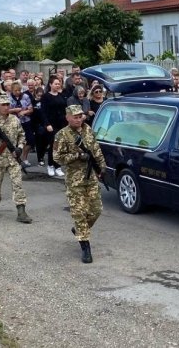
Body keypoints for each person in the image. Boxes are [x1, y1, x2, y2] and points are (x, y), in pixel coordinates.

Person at [53, 104, 106, 263]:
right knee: (79, 212)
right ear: (67, 117)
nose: (78, 119)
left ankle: (79, 229)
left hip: (90, 177)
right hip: (75, 179)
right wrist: (76, 156)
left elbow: (95, 149)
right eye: (75, 117)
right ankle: (85, 245)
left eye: (80, 116)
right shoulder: (62, 135)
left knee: (96, 209)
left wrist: (102, 166)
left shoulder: (87, 129)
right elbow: (57, 157)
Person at [0, 95, 32, 222]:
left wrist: (19, 147)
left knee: (18, 184)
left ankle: (21, 210)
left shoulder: (15, 120)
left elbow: (22, 136)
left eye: (8, 104)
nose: (6, 107)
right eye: (3, 105)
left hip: (13, 158)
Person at [41, 76, 67, 177]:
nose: (57, 85)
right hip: (51, 125)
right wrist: (47, 124)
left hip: (61, 124)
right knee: (53, 145)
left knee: (60, 145)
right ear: (50, 84)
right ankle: (51, 165)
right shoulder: (46, 96)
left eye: (59, 83)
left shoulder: (61, 95)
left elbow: (65, 109)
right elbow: (43, 112)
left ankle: (58, 166)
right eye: (55, 83)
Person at [9, 81, 34, 166]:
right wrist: (15, 110)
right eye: (16, 90)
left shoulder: (26, 96)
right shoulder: (8, 98)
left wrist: (24, 112)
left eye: (19, 90)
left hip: (26, 121)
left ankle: (24, 158)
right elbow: (6, 110)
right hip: (13, 122)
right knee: (15, 142)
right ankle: (15, 159)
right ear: (12, 90)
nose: (18, 92)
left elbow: (31, 109)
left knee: (30, 140)